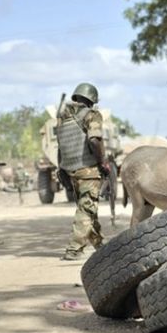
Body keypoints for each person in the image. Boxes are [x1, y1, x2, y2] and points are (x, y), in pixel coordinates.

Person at [56, 83, 109, 260]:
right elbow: (94, 140)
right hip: (88, 170)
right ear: (92, 100)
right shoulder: (92, 115)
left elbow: (60, 147)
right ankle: (74, 249)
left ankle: (99, 245)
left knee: (87, 208)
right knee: (86, 209)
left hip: (70, 169)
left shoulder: (63, 118)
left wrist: (61, 168)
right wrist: (103, 161)